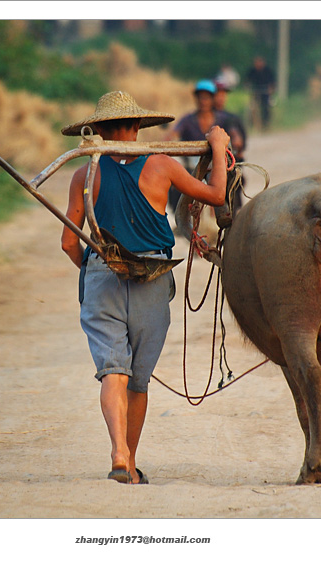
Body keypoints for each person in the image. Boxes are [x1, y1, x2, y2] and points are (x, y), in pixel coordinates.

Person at [60, 91, 230, 485]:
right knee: (137, 380)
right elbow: (217, 196)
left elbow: (70, 242)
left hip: (103, 274)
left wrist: (95, 268)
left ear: (98, 131)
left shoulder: (84, 174)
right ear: (138, 128)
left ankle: (120, 454)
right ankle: (131, 462)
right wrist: (218, 149)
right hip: (154, 275)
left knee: (112, 373)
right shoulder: (162, 165)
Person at [165, 79, 235, 213]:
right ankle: (180, 211)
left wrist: (234, 141)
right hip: (191, 164)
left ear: (212, 99)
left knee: (232, 176)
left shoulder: (222, 119)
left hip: (216, 161)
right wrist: (167, 141)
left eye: (207, 97)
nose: (203, 101)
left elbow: (233, 133)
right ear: (196, 99)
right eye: (200, 97)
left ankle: (224, 212)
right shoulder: (187, 120)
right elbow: (173, 133)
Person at [214, 79, 247, 212]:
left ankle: (233, 212)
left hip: (226, 162)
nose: (221, 98)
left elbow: (239, 140)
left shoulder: (231, 118)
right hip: (202, 162)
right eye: (217, 94)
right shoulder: (196, 117)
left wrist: (237, 145)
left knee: (236, 181)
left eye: (223, 94)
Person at [246, 56, 276, 130]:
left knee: (266, 107)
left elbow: (272, 82)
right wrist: (247, 86)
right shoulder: (252, 71)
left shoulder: (267, 71)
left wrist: (271, 89)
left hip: (265, 92)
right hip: (255, 91)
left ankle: (265, 123)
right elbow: (247, 80)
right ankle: (252, 123)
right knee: (252, 107)